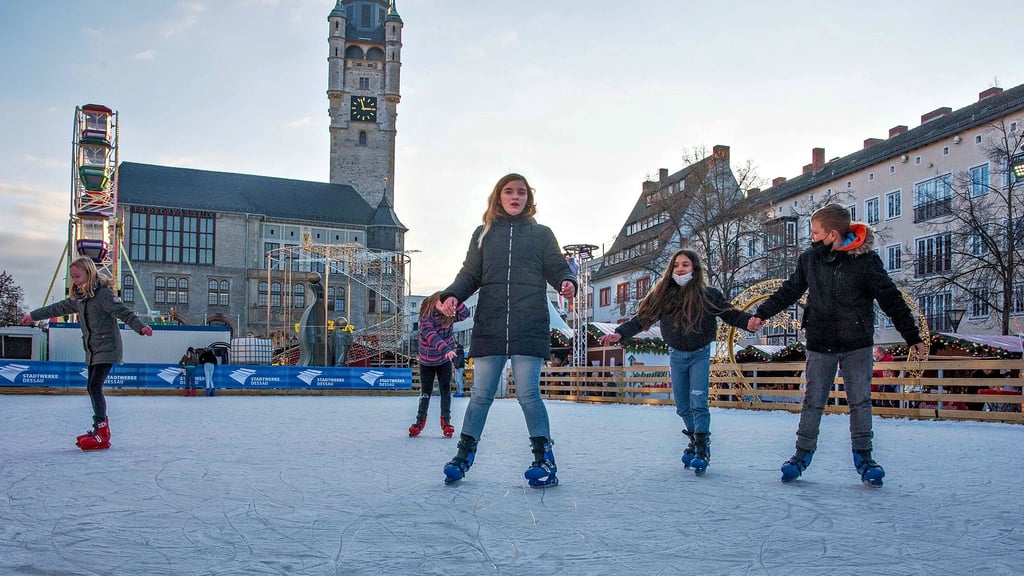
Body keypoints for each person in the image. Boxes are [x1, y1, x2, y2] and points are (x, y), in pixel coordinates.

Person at [749, 204, 927, 487]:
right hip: (820, 342)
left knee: (860, 401)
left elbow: (890, 298)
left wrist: (912, 336)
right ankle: (801, 454)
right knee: (813, 401)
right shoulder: (810, 260)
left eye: (816, 232)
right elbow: (790, 290)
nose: (812, 237)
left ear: (832, 234)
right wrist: (761, 314)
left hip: (856, 343)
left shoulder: (865, 261)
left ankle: (864, 457)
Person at [437, 173, 577, 488]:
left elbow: (557, 266)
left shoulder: (541, 234)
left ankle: (544, 460)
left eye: (521, 193)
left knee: (528, 393)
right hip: (491, 323)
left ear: (529, 199)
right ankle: (463, 455)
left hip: (529, 322)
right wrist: (451, 295)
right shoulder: (483, 234)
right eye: (509, 191)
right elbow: (469, 274)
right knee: (481, 394)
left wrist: (567, 281)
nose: (515, 197)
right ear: (498, 197)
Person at [598, 248, 756, 476]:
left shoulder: (708, 295)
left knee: (699, 402)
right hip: (677, 355)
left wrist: (749, 322)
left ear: (695, 269)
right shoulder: (664, 296)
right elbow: (642, 319)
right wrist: (620, 333)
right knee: (683, 406)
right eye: (677, 265)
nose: (680, 269)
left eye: (685, 265)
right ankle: (694, 437)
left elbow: (729, 314)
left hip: (700, 354)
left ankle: (702, 447)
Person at [22, 256, 153, 450]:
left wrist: (141, 327)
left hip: (107, 348)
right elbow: (56, 308)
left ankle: (102, 433)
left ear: (89, 273)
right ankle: (100, 430)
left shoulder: (104, 295)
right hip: (92, 349)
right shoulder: (79, 299)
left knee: (94, 386)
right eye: (72, 277)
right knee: (92, 387)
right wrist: (33, 316)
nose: (75, 280)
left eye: (77, 276)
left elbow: (124, 313)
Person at [409, 293, 469, 438]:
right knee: (426, 391)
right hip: (427, 361)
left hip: (444, 360)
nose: (445, 306)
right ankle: (419, 421)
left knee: (445, 390)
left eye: (446, 303)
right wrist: (447, 350)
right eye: (442, 303)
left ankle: (446, 422)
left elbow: (466, 314)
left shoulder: (449, 315)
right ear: (433, 303)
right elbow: (432, 338)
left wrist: (456, 300)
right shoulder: (425, 320)